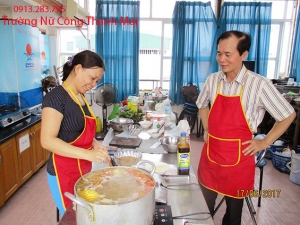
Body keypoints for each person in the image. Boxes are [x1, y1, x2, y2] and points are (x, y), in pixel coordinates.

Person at [196, 30, 296, 225]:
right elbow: (201, 104)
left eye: (228, 54)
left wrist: (265, 142)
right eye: (219, 53)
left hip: (239, 158)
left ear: (243, 54)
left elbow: (288, 115)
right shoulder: (213, 80)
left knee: (233, 216)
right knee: (202, 207)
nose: (222, 59)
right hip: (211, 155)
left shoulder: (260, 85)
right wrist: (207, 128)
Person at [41, 50, 112, 215]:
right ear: (78, 69)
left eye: (97, 80)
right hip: (62, 172)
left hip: (82, 169)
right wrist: (88, 155)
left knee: (85, 214)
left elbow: (78, 130)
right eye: (93, 78)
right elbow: (47, 141)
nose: (94, 84)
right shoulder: (56, 97)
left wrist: (95, 144)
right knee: (73, 217)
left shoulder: (80, 96)